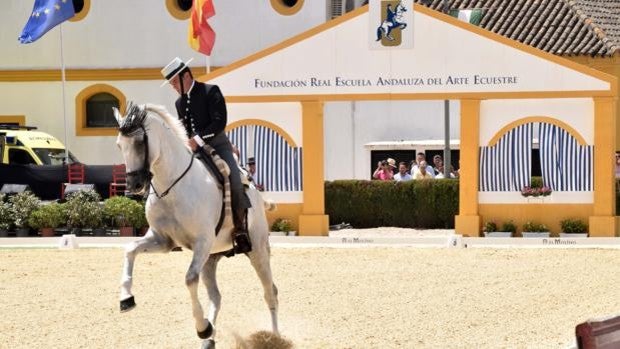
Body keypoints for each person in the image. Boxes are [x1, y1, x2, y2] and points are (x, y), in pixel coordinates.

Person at [161, 57, 251, 253]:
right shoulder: (179, 103)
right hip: (194, 151)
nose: (174, 87)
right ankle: (177, 231)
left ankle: (240, 230)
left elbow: (219, 122)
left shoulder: (211, 91)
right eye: (171, 84)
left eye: (175, 82)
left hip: (218, 145)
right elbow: (183, 129)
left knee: (234, 179)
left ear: (186, 76)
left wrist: (198, 139)